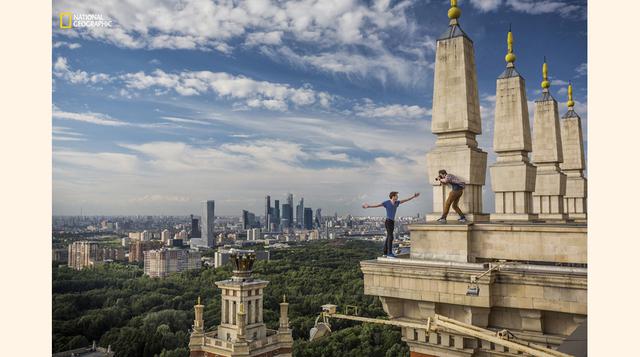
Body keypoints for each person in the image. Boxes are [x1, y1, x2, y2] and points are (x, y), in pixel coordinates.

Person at [362, 191, 420, 258]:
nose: (397, 197)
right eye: (396, 196)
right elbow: (377, 205)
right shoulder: (386, 203)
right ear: (393, 196)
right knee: (391, 237)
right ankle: (389, 253)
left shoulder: (397, 203)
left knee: (388, 237)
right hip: (388, 221)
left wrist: (413, 196)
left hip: (392, 222)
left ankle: (385, 252)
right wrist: (368, 206)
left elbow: (405, 200)